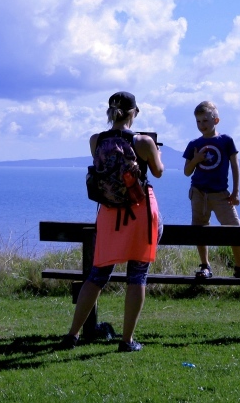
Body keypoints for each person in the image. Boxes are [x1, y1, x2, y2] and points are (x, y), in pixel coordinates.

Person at [62, 91, 163, 353]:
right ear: (134, 113)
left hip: (108, 214)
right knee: (137, 275)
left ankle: (72, 335)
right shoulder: (143, 142)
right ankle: (127, 341)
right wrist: (155, 152)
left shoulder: (96, 140)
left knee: (97, 276)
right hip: (139, 212)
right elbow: (158, 172)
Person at [183, 101, 240, 279]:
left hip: (221, 193)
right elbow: (187, 171)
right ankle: (205, 266)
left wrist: (236, 192)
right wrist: (196, 159)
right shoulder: (194, 144)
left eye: (205, 121)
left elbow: (235, 166)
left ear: (216, 120)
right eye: (198, 122)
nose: (202, 125)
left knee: (234, 227)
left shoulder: (226, 141)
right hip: (198, 193)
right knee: (200, 228)